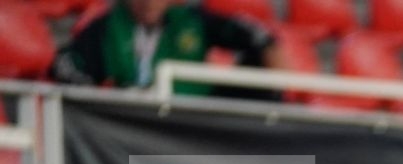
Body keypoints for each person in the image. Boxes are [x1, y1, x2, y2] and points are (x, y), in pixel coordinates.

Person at [52, 0, 288, 92]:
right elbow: (66, 65)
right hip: (128, 126)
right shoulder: (106, 27)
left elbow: (259, 39)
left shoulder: (193, 21)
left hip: (191, 124)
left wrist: (269, 48)